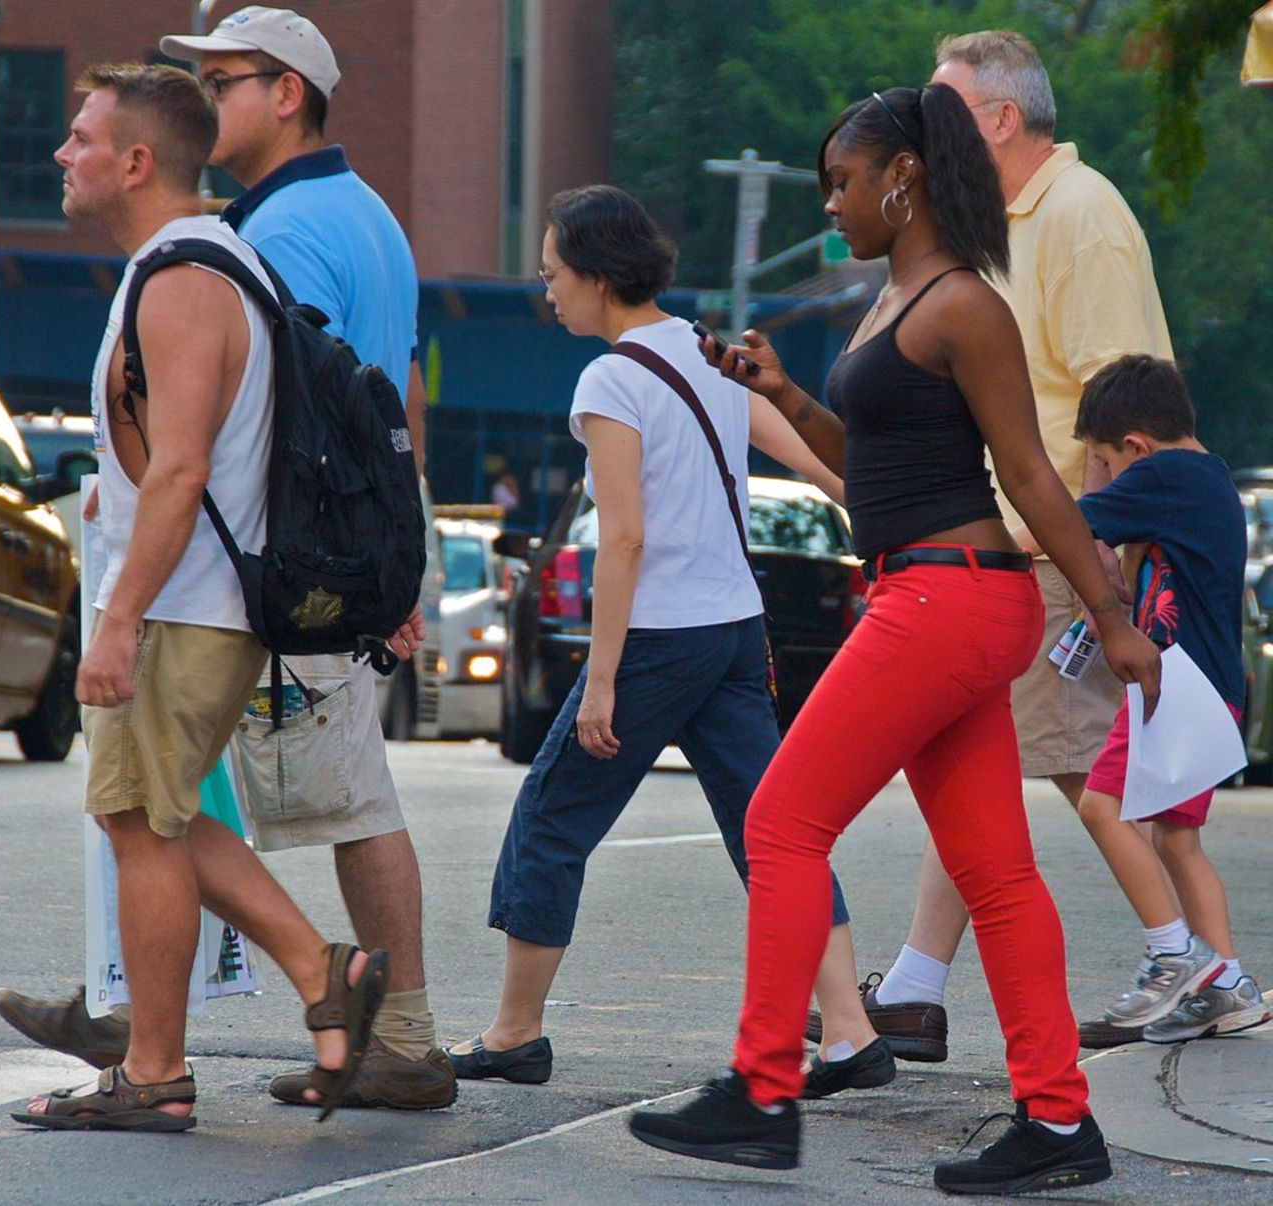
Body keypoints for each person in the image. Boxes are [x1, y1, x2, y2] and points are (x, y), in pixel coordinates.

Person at [627, 84, 1161, 1192]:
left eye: (840, 181)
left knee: (779, 821)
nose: (830, 205)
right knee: (994, 872)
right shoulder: (898, 296)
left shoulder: (962, 302)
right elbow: (876, 470)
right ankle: (1059, 1123)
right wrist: (782, 395)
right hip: (925, 591)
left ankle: (761, 1090)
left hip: (948, 600)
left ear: (901, 178)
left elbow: (1022, 472)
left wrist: (1110, 616)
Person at [0, 6, 452, 1113]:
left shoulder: (194, 268)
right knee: (152, 816)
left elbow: (185, 466)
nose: (62, 154)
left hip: (188, 603)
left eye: (82, 138)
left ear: (138, 161)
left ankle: (166, 1064)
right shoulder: (222, 248)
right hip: (202, 597)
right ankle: (304, 978)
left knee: (145, 821)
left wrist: (114, 619)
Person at [446, 185, 892, 1101]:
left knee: (552, 816)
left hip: (656, 635)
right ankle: (849, 1034)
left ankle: (515, 1032)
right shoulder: (702, 349)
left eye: (554, 275)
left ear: (600, 277)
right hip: (733, 631)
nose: (548, 293)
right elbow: (814, 462)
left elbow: (624, 538)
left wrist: (600, 677)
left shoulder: (609, 378)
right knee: (774, 835)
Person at [849, 29, 1177, 1061]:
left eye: (943, 112)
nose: (924, 135)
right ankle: (914, 986)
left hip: (1046, 552)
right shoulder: (981, 227)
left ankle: (1189, 955)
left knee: (1077, 767)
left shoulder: (1079, 216)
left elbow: (1127, 403)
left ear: (997, 118)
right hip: (1002, 548)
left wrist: (1102, 572)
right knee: (977, 768)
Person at [1072, 355, 1269, 1041]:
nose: (1105, 477)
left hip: (1177, 687)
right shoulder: (1206, 477)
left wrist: (984, 547)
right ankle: (1226, 986)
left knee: (1101, 806)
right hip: (1210, 692)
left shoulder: (1164, 474)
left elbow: (1061, 523)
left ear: (1134, 447)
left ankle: (1172, 955)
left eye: (1104, 461)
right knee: (1176, 838)